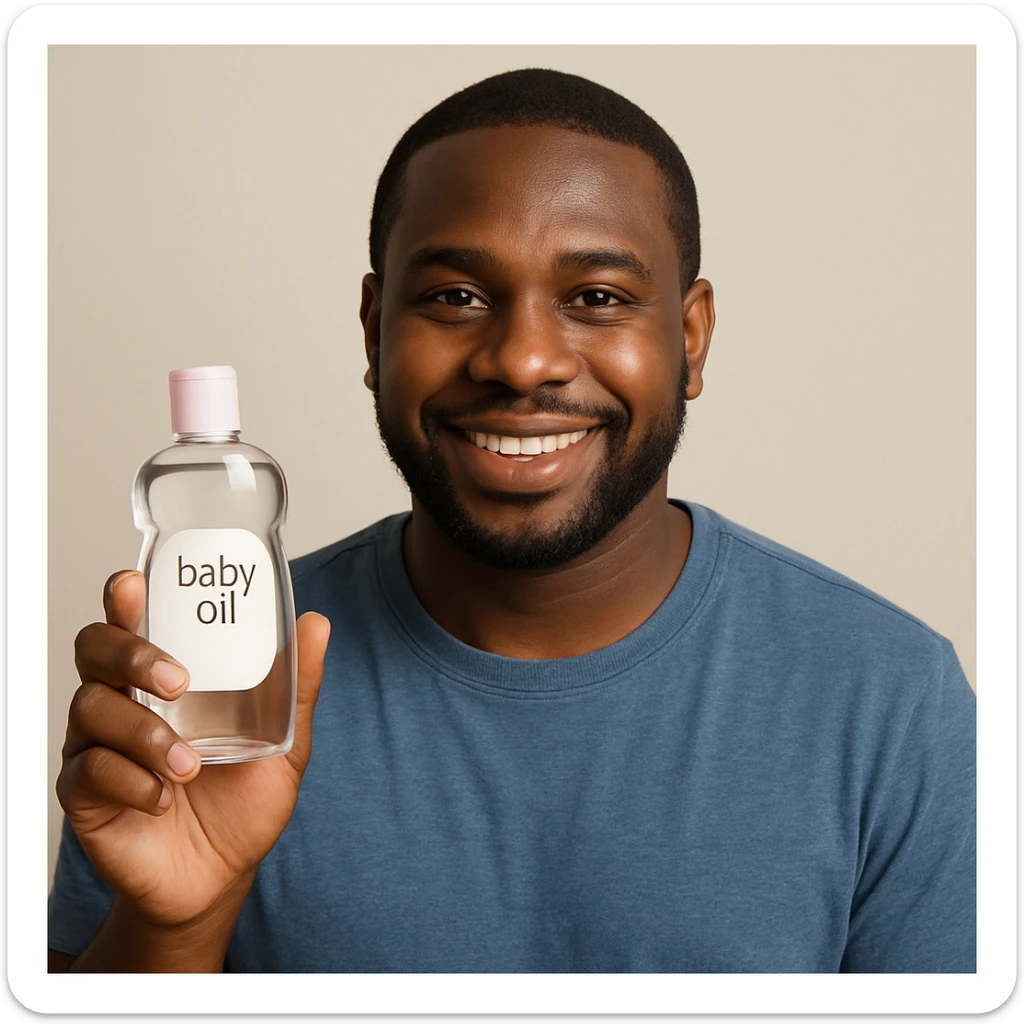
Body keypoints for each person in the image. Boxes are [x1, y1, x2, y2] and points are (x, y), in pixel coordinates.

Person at [47, 68, 976, 973]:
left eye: (597, 298)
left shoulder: (890, 700)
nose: (524, 360)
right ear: (374, 327)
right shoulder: (215, 683)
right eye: (456, 296)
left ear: (691, 338)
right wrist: (175, 928)